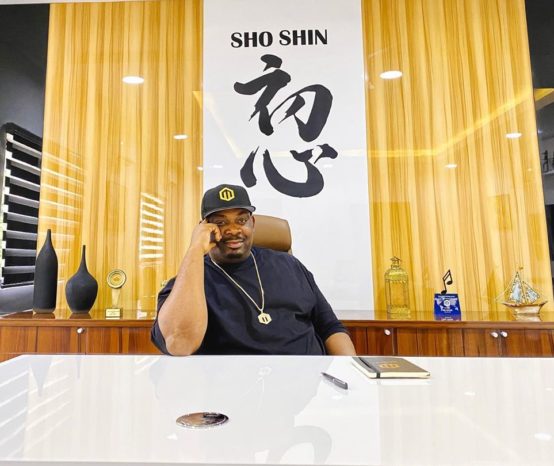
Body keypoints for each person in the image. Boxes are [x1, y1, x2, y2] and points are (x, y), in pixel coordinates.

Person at [151, 183, 356, 356]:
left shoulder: (291, 265)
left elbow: (330, 328)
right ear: (203, 228)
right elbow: (181, 345)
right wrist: (195, 248)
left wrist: (350, 373)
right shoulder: (186, 284)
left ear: (253, 223)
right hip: (234, 389)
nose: (233, 230)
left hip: (309, 384)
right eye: (220, 222)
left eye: (241, 220)